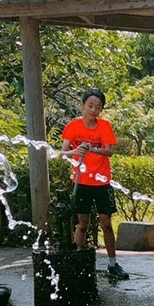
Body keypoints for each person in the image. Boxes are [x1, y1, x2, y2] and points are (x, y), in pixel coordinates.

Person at [60, 88, 128, 280]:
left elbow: (109, 151)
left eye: (98, 107)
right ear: (82, 105)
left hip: (102, 181)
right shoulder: (72, 127)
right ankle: (79, 261)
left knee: (106, 223)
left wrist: (93, 149)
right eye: (90, 105)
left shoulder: (104, 126)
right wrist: (75, 153)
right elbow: (62, 154)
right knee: (82, 223)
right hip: (81, 181)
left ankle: (113, 264)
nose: (93, 110)